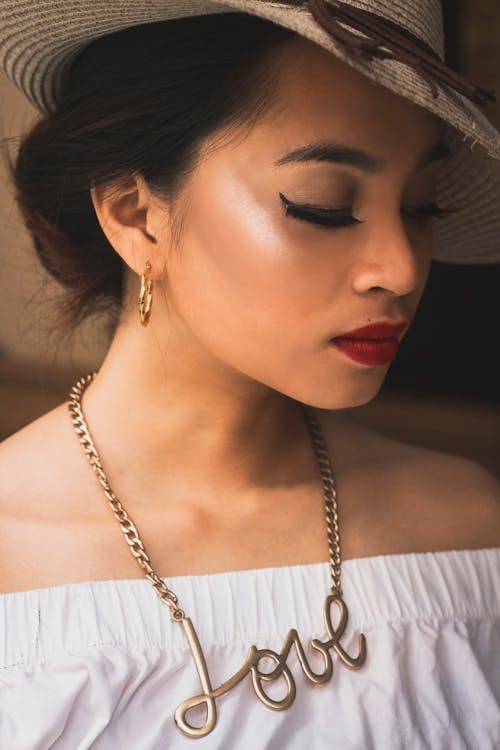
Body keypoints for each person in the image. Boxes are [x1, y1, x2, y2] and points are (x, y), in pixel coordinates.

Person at [0, 1, 499, 748]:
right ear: (136, 216)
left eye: (421, 207)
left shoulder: (469, 532)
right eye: (325, 207)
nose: (399, 269)